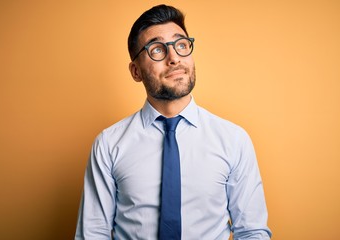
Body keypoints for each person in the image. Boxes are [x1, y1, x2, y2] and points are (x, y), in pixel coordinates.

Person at [75, 4, 272, 240]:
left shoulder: (233, 140)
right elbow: (92, 234)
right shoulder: (108, 145)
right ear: (135, 71)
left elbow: (251, 232)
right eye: (157, 49)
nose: (174, 58)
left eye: (181, 45)